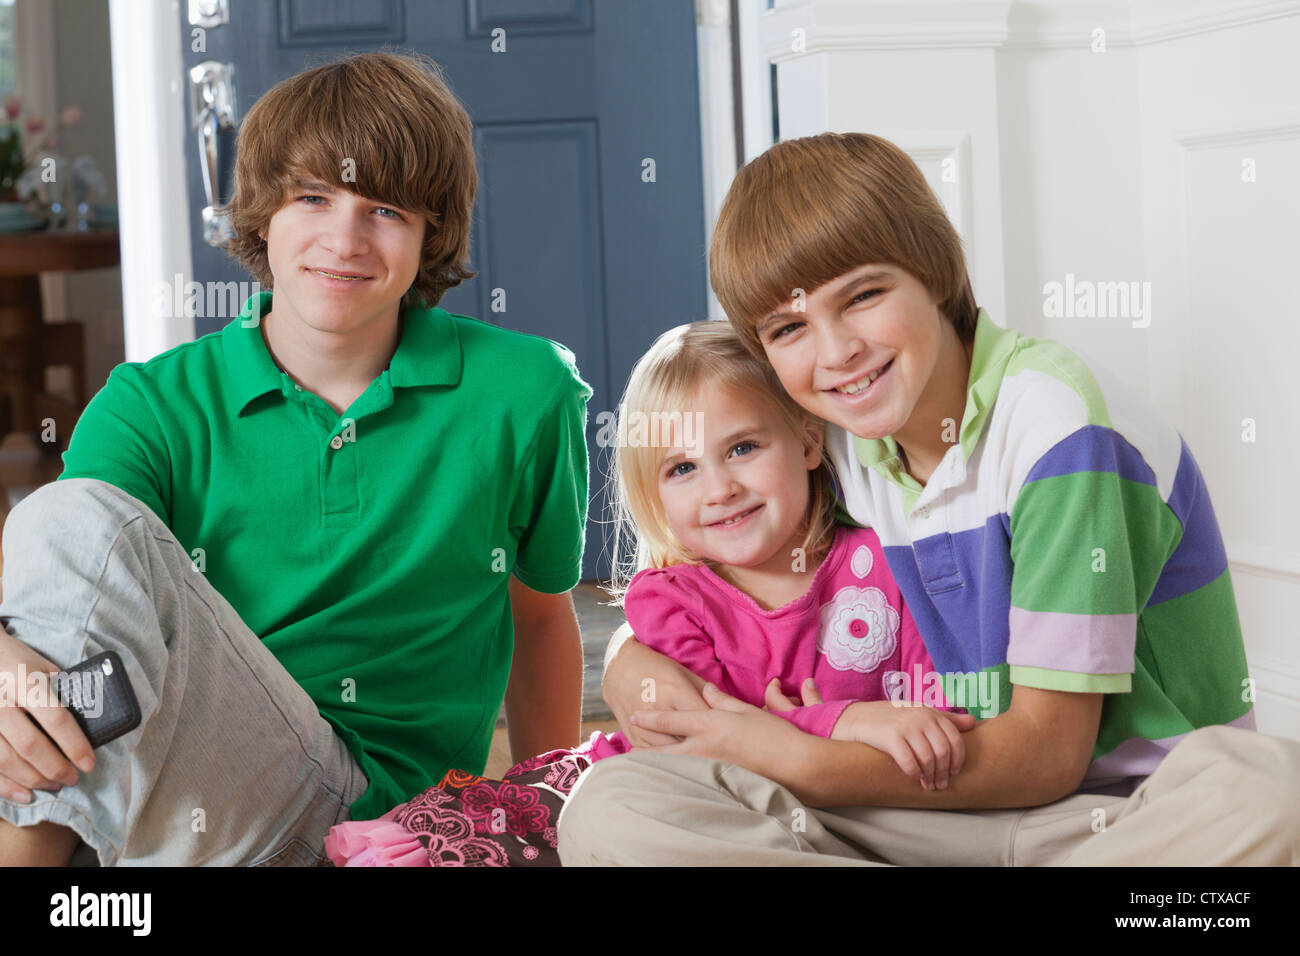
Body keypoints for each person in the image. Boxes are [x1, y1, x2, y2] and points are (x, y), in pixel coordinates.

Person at [560, 132, 1300, 866]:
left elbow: (1047, 757)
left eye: (864, 296)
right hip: (901, 809)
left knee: (1270, 791)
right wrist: (629, 662)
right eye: (790, 328)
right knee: (612, 806)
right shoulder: (838, 437)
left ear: (936, 272)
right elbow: (714, 583)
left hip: (1110, 820)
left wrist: (796, 756)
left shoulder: (1061, 431)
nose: (837, 352)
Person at [0, 51, 592, 866]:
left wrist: (535, 815)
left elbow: (538, 616)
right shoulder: (153, 401)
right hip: (178, 795)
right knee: (60, 540)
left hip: (375, 814)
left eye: (385, 209)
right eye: (312, 198)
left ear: (432, 233)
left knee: (65, 523)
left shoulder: (525, 391)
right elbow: (65, 589)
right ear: (262, 216)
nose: (343, 239)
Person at [323, 320, 971, 866]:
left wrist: (891, 725)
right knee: (508, 829)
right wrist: (847, 719)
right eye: (683, 468)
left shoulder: (883, 562)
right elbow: (723, 741)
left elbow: (935, 714)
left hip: (807, 813)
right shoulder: (672, 600)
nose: (718, 488)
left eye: (742, 447)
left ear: (806, 440)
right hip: (650, 779)